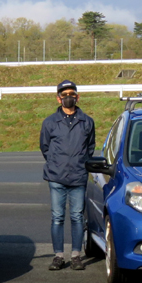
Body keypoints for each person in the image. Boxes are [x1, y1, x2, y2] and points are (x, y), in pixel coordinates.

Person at [39, 80, 96, 271]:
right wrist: (56, 163)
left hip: (78, 177)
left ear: (77, 97)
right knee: (57, 217)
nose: (68, 97)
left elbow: (90, 148)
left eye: (71, 94)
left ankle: (76, 255)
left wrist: (80, 162)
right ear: (58, 98)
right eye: (64, 95)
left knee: (77, 217)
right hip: (56, 177)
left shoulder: (87, 121)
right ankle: (58, 256)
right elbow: (45, 147)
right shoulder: (49, 122)